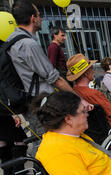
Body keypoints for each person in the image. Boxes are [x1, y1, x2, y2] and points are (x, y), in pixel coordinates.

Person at [8, 0, 88, 155]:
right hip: (39, 100)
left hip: (28, 97)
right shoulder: (28, 44)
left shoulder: (13, 39)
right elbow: (54, 78)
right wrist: (79, 99)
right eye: (39, 15)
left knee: (43, 140)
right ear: (33, 18)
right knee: (45, 142)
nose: (41, 18)